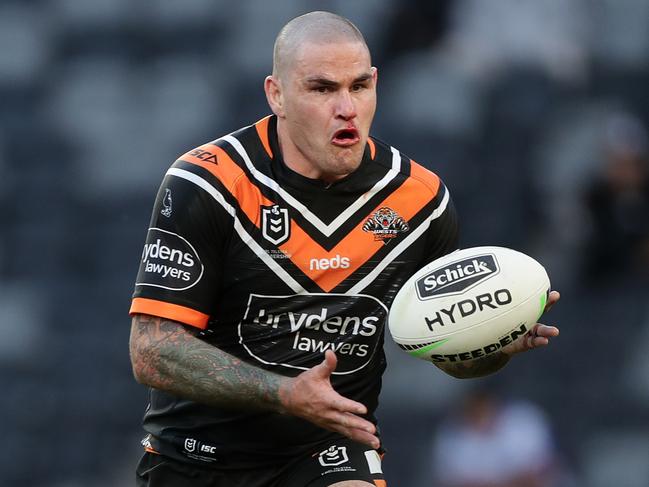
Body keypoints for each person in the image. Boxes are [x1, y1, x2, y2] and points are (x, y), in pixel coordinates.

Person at [128, 11, 560, 487]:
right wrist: (284, 393)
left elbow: (445, 350)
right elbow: (152, 351)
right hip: (197, 458)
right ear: (277, 95)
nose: (347, 107)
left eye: (358, 86)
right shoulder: (208, 183)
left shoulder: (420, 201)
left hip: (326, 452)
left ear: (376, 83)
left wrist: (493, 344)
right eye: (322, 89)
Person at [430, 388, 559, 487]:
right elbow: (452, 483)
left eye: (482, 409)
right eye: (473, 411)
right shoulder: (452, 435)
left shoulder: (524, 420)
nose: (479, 415)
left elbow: (536, 478)